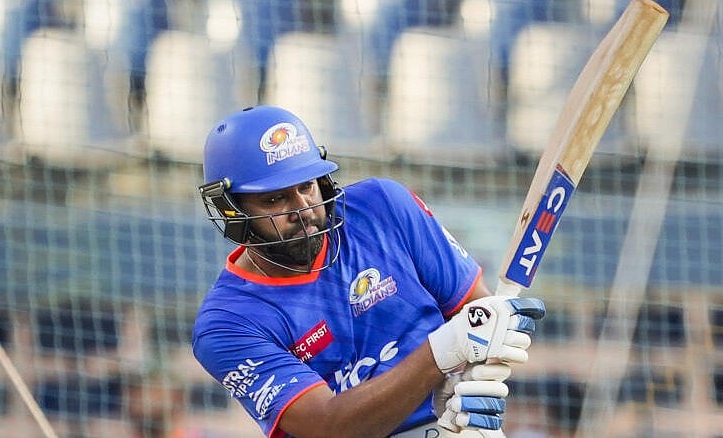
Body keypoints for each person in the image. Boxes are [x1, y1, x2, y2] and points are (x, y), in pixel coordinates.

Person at [191, 105, 546, 438]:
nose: (303, 210)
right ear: (232, 211)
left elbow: (475, 311)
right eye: (274, 199)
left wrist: (467, 383)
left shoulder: (383, 207)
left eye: (307, 187)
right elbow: (328, 425)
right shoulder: (226, 324)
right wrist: (441, 357)